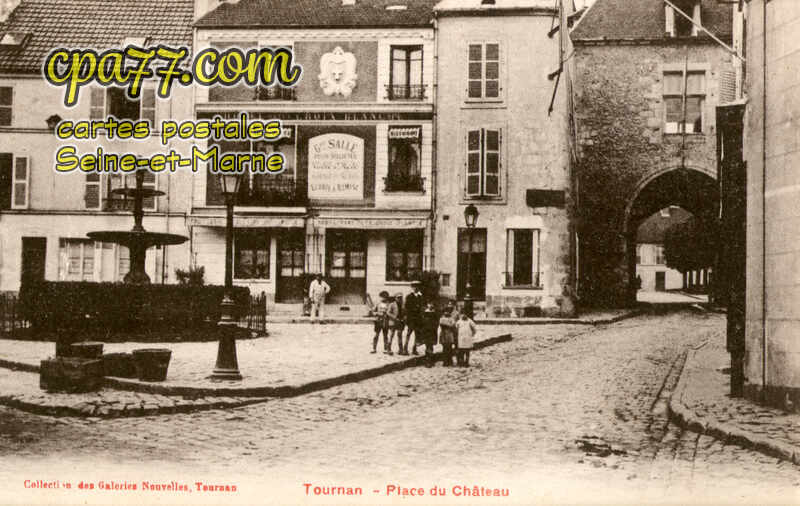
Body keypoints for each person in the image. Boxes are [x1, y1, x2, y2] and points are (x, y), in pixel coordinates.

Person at [403, 282, 424, 355]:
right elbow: (406, 307)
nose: (415, 288)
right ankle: (405, 348)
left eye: (417, 287)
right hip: (411, 318)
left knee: (417, 334)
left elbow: (422, 307)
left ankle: (414, 349)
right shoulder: (409, 296)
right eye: (414, 287)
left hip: (418, 319)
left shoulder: (420, 297)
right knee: (408, 333)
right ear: (412, 287)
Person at [438, 301, 458, 367]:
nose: (446, 313)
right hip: (444, 334)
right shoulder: (442, 318)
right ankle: (445, 361)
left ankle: (450, 361)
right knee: (444, 348)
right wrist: (448, 324)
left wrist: (447, 324)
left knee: (450, 348)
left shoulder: (454, 315)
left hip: (451, 334)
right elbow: (441, 323)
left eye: (447, 312)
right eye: (445, 312)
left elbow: (453, 324)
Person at [420, 302, 440, 367]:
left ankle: (430, 360)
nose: (431, 305)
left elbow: (437, 323)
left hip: (433, 331)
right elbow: (422, 323)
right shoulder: (424, 313)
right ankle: (428, 361)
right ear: (427, 305)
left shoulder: (435, 313)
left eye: (432, 304)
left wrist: (434, 327)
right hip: (426, 332)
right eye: (429, 304)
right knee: (427, 346)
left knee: (430, 346)